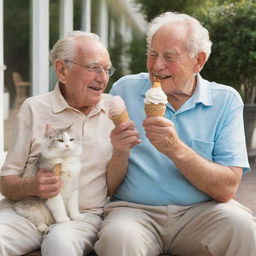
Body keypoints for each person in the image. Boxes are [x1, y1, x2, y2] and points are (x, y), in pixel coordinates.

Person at [94, 12, 256, 256]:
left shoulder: (225, 100)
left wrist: (175, 148)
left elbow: (226, 190)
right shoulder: (124, 90)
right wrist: (119, 151)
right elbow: (106, 185)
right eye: (152, 55)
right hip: (134, 211)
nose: (157, 66)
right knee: (118, 238)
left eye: (169, 57)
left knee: (242, 227)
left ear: (198, 61)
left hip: (202, 212)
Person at [0, 31, 140, 256]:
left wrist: (121, 151)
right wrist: (31, 186)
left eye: (107, 69)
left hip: (81, 216)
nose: (103, 78)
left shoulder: (113, 111)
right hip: (28, 210)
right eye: (94, 68)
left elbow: (113, 187)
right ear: (62, 70)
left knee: (60, 245)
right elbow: (6, 182)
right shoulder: (33, 108)